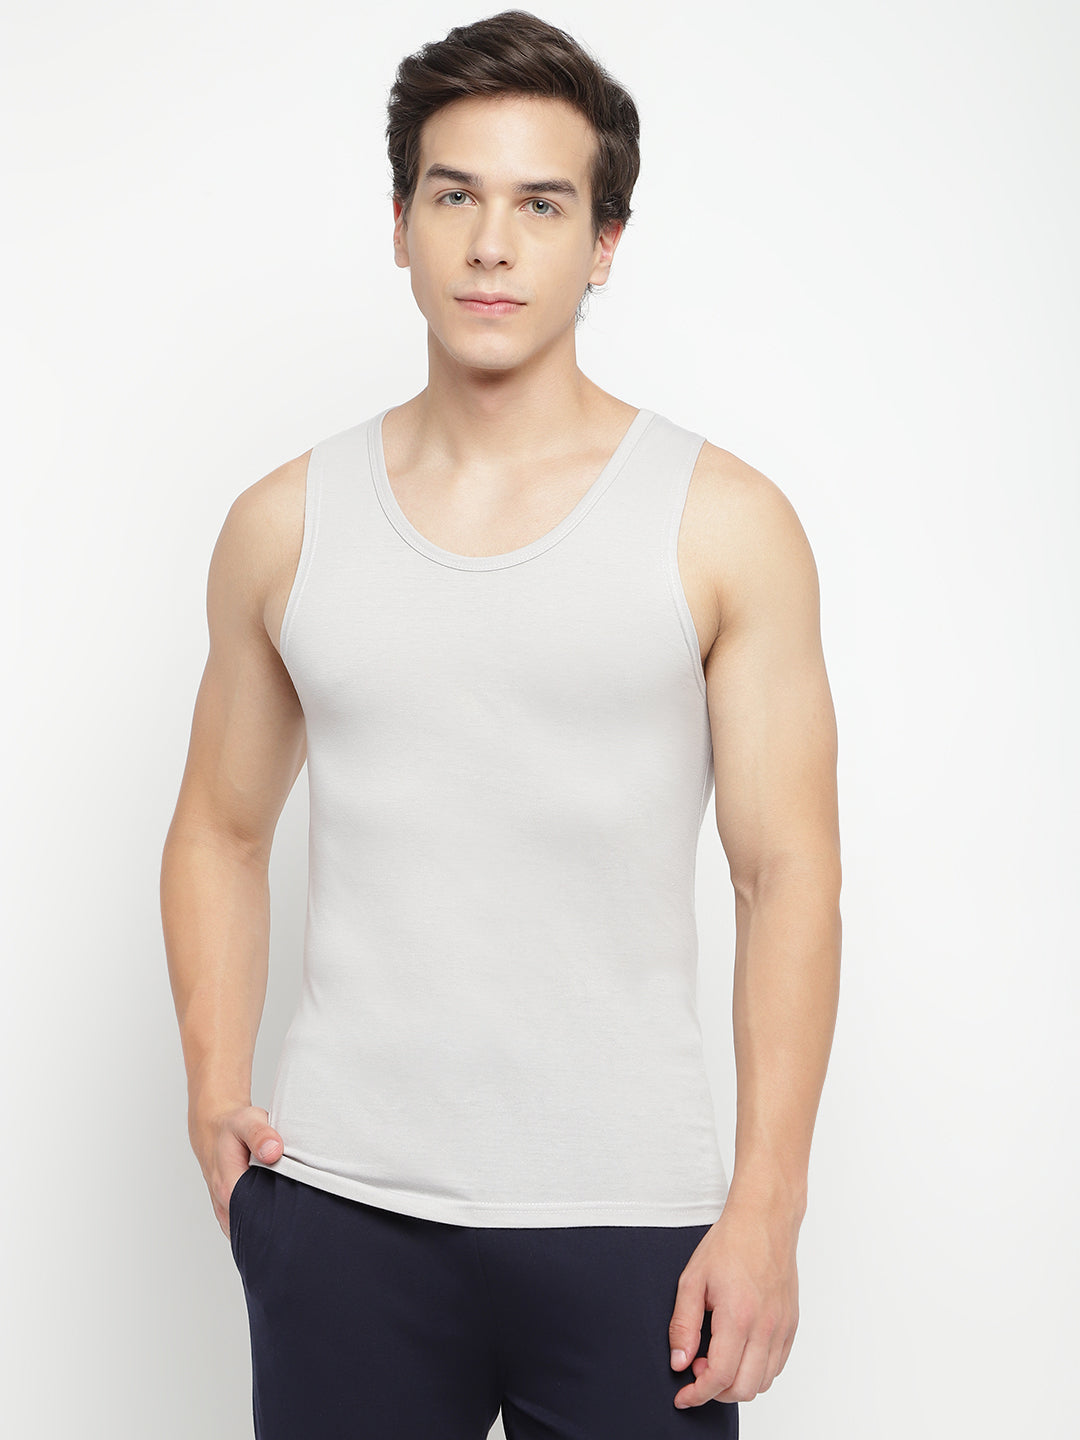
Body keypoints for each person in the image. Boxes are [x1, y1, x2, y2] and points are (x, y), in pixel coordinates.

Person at [160, 10, 841, 1438]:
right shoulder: (285, 524)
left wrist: (766, 1208)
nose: (490, 245)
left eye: (541, 204)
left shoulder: (723, 523)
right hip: (342, 1213)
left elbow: (786, 875)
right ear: (400, 223)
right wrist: (216, 1096)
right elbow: (219, 828)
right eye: (454, 196)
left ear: (603, 245)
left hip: (634, 1230)